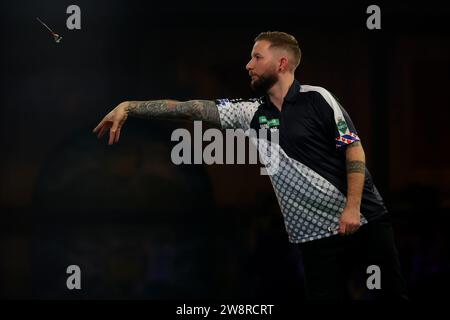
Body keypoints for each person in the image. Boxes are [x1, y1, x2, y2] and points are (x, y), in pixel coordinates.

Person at [93, 31, 408, 300]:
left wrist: (352, 208)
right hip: (313, 237)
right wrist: (130, 107)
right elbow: (193, 110)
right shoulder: (250, 113)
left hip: (363, 221)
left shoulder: (318, 99)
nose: (248, 64)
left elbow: (352, 148)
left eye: (257, 57)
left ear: (281, 63)